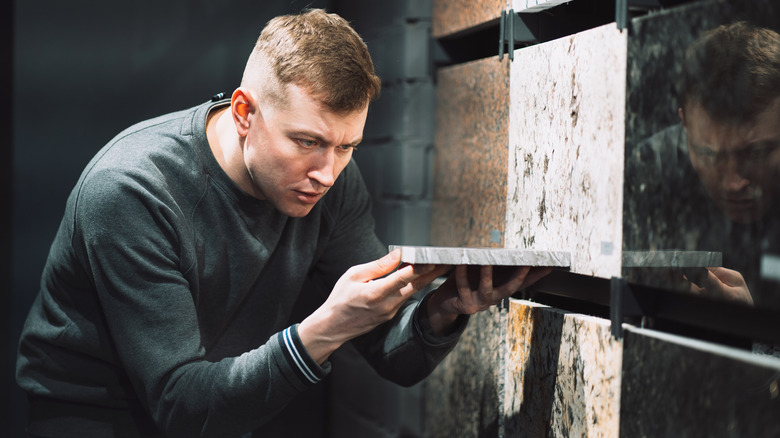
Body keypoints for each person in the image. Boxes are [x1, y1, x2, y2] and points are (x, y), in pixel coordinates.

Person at [15, 9, 550, 438]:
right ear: (244, 113)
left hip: (220, 412)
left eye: (347, 146)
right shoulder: (133, 191)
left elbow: (394, 358)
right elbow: (180, 407)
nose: (326, 173)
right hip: (97, 420)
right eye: (307, 142)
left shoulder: (331, 181)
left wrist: (441, 312)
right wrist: (328, 326)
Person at [625, 21, 780, 307]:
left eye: (756, 152)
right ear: (685, 124)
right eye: (709, 154)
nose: (733, 183)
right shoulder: (650, 169)